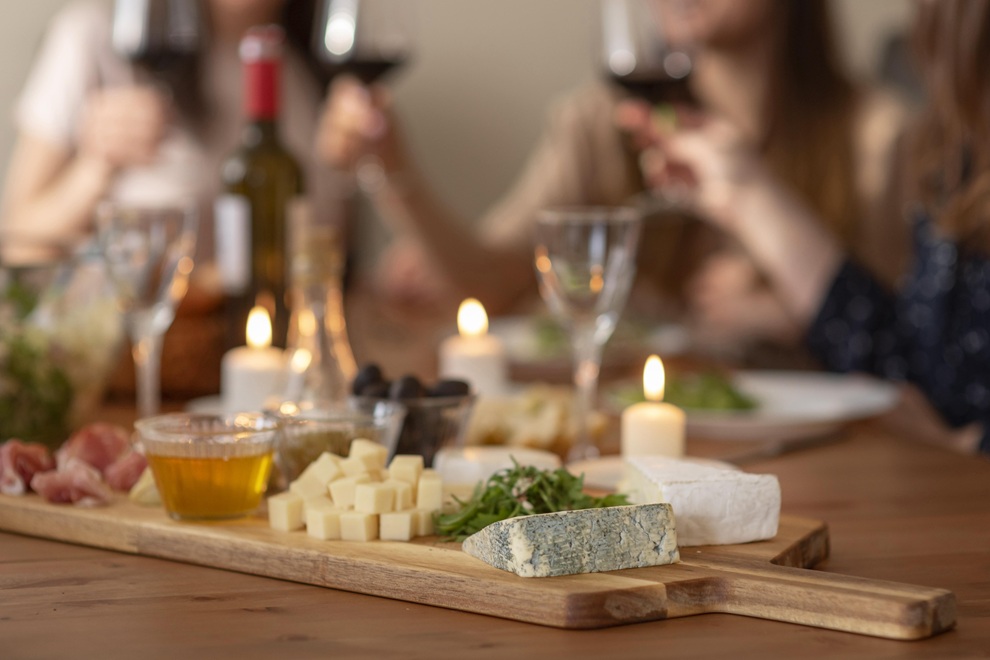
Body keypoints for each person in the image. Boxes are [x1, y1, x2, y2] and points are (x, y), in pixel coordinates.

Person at [319, 0, 909, 362]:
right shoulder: (600, 125)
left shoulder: (880, 137)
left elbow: (913, 350)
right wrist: (392, 169)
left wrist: (792, 315)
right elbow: (490, 284)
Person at [619, 0, 990, 454]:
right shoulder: (957, 150)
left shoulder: (884, 133)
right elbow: (908, 365)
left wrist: (969, 446)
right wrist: (746, 191)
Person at [0, 0, 330, 395]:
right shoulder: (96, 36)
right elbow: (17, 237)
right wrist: (95, 167)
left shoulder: (298, 70)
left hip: (251, 378)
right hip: (107, 376)